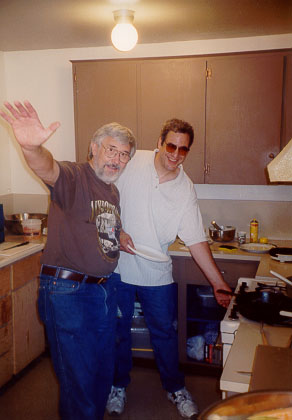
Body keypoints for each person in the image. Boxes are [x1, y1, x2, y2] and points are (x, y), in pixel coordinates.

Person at [0, 100, 137, 420]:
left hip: (102, 291)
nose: (117, 159)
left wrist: (121, 233)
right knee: (80, 383)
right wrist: (32, 148)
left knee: (102, 373)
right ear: (94, 148)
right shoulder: (75, 176)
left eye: (124, 154)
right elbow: (47, 167)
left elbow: (101, 224)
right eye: (111, 150)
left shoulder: (111, 191)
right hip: (71, 294)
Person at [106, 118, 232, 418]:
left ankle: (175, 387)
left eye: (183, 149)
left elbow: (196, 240)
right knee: (118, 332)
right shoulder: (132, 160)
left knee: (164, 333)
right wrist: (116, 229)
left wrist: (218, 284)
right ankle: (118, 385)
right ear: (160, 141)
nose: (175, 154)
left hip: (156, 272)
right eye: (171, 145)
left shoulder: (185, 189)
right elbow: (102, 195)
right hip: (118, 268)